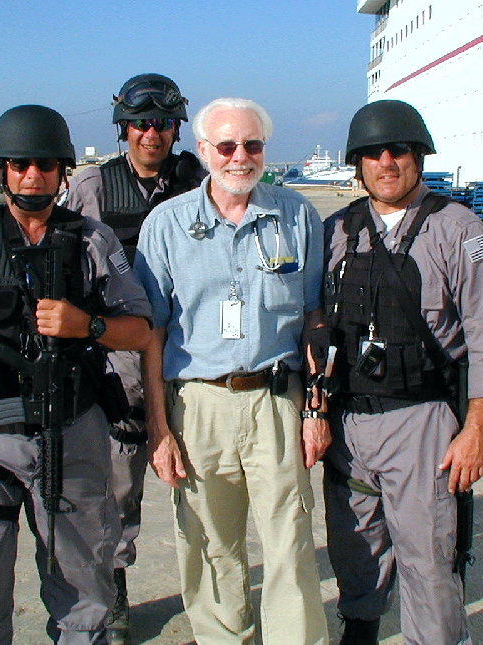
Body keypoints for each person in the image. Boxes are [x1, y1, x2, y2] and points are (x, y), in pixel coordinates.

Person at [0, 104, 152, 645]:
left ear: (62, 171)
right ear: (2, 170)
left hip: (73, 437)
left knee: (83, 593)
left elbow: (139, 329)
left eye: (45, 164)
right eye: (19, 164)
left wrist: (86, 325)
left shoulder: (92, 241)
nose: (32, 175)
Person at [321, 100, 483, 645]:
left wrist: (476, 431)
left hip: (421, 424)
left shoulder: (458, 229)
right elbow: (314, 324)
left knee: (428, 557)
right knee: (353, 545)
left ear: (419, 156)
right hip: (348, 421)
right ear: (357, 164)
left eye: (399, 151)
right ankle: (360, 629)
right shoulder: (337, 230)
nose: (386, 162)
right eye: (372, 153)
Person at [134, 97, 330, 645]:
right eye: (226, 145)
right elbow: (151, 335)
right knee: (209, 545)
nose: (239, 156)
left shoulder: (297, 216)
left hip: (277, 401)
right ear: (203, 151)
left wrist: (315, 409)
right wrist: (159, 428)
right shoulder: (166, 225)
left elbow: (314, 317)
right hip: (199, 406)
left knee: (290, 542)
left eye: (252, 144)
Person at [61, 72, 205, 644]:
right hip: (120, 353)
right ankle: (114, 589)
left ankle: (212, 592)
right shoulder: (94, 186)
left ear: (176, 129)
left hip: (189, 351)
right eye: (141, 123)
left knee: (205, 477)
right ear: (124, 128)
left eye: (163, 123)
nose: (152, 134)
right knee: (117, 485)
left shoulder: (199, 180)